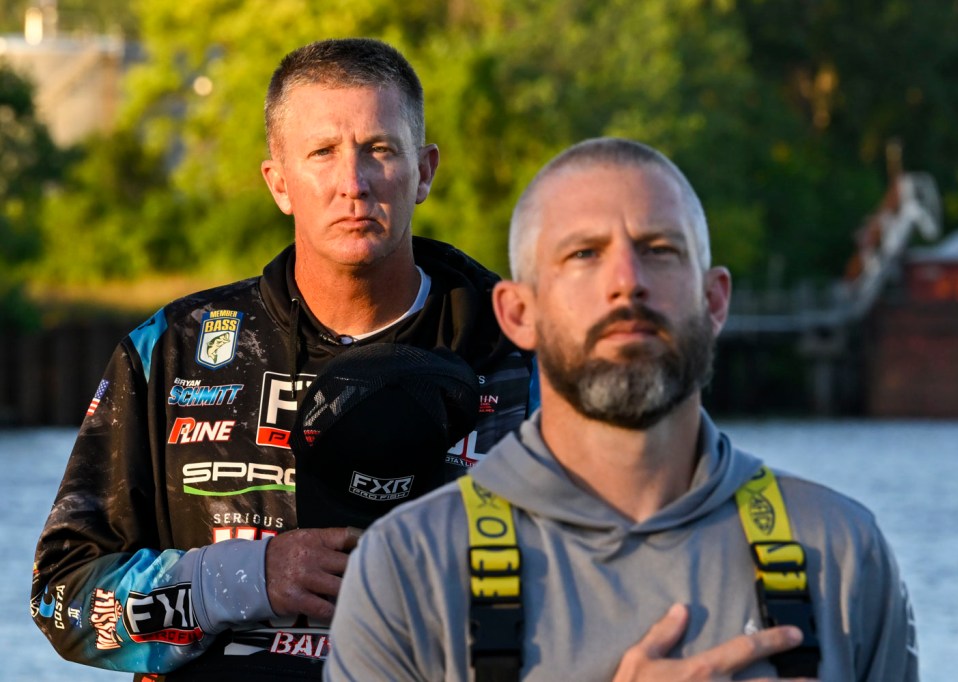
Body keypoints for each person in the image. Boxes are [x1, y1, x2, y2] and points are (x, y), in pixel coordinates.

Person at [30, 38, 535, 681]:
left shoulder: (525, 354)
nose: (353, 183)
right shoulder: (172, 350)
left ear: (425, 171)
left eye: (380, 149)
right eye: (322, 153)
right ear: (279, 183)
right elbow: (62, 601)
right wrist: (246, 578)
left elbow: (611, 569)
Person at [325, 137, 919, 681]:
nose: (627, 282)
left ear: (715, 302)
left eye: (659, 250)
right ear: (518, 314)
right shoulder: (407, 568)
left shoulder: (841, 551)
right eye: (585, 253)